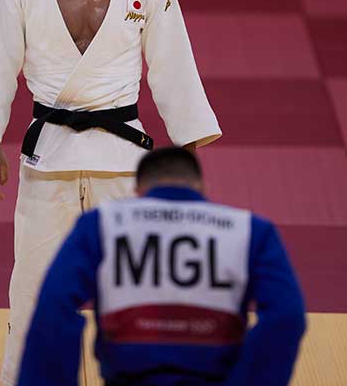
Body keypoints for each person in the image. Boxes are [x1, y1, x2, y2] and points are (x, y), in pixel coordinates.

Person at [0, 0, 221, 386]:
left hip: (121, 157)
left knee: (131, 289)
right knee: (34, 289)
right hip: (48, 154)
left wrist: (187, 151)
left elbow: (173, 68)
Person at [18, 147, 306, 386]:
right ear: (203, 187)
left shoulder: (102, 225)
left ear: (138, 190)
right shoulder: (250, 230)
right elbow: (287, 316)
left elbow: (54, 306)